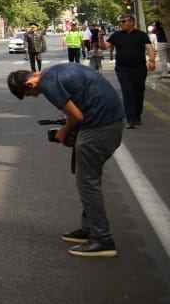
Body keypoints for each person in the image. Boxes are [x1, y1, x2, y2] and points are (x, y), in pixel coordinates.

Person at [7, 64, 125, 257]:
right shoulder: (54, 71)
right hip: (108, 122)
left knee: (88, 182)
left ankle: (102, 239)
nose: (36, 96)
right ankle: (89, 229)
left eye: (30, 94)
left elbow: (76, 116)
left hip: (100, 127)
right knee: (87, 178)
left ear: (29, 84)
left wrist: (62, 132)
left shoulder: (48, 83)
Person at [101, 13, 156, 128]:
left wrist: (151, 61)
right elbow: (104, 47)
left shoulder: (141, 35)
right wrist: (100, 37)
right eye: (120, 22)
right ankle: (130, 119)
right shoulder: (117, 35)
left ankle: (137, 115)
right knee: (128, 92)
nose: (121, 24)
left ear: (131, 22)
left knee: (139, 93)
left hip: (139, 69)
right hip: (123, 69)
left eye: (123, 21)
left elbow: (150, 48)